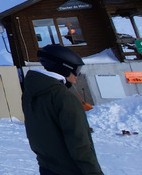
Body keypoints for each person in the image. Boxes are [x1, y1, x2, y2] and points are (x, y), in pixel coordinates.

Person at [22, 44, 104, 175]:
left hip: (47, 167)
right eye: (76, 70)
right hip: (71, 170)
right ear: (64, 68)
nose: (78, 75)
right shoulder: (63, 97)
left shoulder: (31, 93)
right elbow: (80, 143)